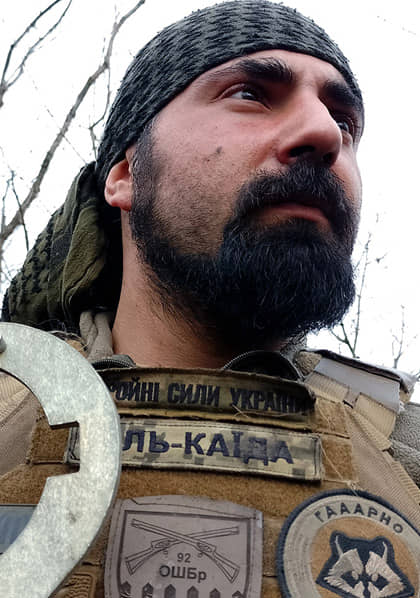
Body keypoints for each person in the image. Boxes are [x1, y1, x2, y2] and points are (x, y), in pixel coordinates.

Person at [1, 1, 420, 596]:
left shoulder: (407, 454)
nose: (326, 133)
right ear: (125, 173)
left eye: (345, 122)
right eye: (250, 94)